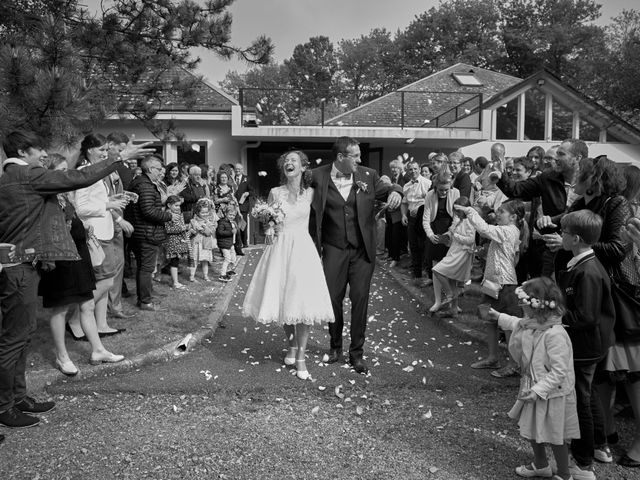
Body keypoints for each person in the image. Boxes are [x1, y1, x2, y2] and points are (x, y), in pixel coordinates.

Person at [0, 129, 147, 429]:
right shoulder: (26, 175)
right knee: (14, 339)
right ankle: (4, 406)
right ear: (24, 151)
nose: (44, 156)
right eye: (39, 150)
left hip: (23, 266)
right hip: (18, 268)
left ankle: (18, 397)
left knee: (23, 335)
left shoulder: (15, 178)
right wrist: (117, 158)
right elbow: (76, 179)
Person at [310, 137, 402, 375]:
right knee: (332, 299)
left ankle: (356, 354)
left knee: (360, 300)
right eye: (355, 156)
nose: (360, 160)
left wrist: (396, 191)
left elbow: (389, 188)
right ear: (341, 157)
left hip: (362, 251)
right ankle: (335, 347)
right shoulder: (317, 176)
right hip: (333, 248)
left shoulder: (368, 175)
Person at [243, 150, 334, 380]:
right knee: (284, 300)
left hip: (303, 249)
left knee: (301, 303)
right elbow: (269, 222)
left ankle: (301, 357)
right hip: (280, 249)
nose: (288, 163)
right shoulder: (275, 192)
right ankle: (292, 345)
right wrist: (269, 228)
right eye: (286, 161)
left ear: (303, 167)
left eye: (294, 160)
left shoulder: (313, 193)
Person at [39, 155, 124, 375]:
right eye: (61, 171)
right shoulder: (45, 197)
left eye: (67, 170)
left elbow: (73, 218)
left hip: (79, 253)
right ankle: (62, 356)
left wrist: (84, 227)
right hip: (60, 258)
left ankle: (98, 350)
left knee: (87, 304)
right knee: (60, 308)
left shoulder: (64, 196)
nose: (66, 175)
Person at [487, 277, 579, 480]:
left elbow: (559, 371)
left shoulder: (555, 335)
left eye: (524, 304)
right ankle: (540, 464)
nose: (521, 309)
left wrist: (539, 390)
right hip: (532, 386)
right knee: (530, 429)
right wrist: (498, 316)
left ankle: (564, 474)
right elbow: (516, 323)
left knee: (556, 435)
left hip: (551, 393)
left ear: (538, 306)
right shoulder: (533, 323)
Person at [556, 210, 616, 480]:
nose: (561, 236)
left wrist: (552, 313)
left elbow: (586, 316)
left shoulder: (588, 271)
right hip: (590, 344)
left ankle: (583, 463)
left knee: (580, 401)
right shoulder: (583, 263)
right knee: (588, 394)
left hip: (585, 346)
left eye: (564, 233)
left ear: (576, 238)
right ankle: (600, 446)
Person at [454, 200, 525, 377]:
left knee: (508, 326)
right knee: (490, 321)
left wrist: (471, 211)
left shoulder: (508, 231)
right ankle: (493, 357)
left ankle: (513, 364)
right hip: (493, 282)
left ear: (514, 217)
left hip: (505, 284)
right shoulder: (507, 231)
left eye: (502, 211)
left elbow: (484, 229)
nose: (498, 213)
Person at [497, 139, 587, 277]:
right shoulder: (547, 177)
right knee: (547, 292)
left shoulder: (592, 181)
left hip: (582, 250)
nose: (556, 158)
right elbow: (517, 190)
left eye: (561, 154)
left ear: (577, 158)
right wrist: (501, 175)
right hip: (551, 249)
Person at [69, 134, 128, 336]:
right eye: (102, 150)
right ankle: (76, 319)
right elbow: (80, 208)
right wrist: (108, 204)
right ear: (89, 150)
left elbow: (96, 199)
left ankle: (101, 324)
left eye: (106, 150)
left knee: (104, 279)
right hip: (94, 234)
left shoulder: (98, 172)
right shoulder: (83, 172)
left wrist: (113, 198)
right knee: (105, 282)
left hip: (105, 230)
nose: (105, 154)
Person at [129, 155, 176, 311]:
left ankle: (144, 298)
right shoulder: (145, 186)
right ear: (149, 169)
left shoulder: (141, 183)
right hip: (147, 233)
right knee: (146, 268)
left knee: (143, 267)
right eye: (158, 169)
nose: (161, 171)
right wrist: (169, 215)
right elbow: (148, 211)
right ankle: (145, 301)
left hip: (141, 231)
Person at [429, 196, 475, 315]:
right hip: (454, 250)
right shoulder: (458, 220)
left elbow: (471, 239)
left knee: (437, 270)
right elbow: (452, 231)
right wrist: (444, 236)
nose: (456, 214)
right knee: (451, 279)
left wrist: (455, 235)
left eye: (458, 211)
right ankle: (454, 308)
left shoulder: (470, 221)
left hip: (461, 253)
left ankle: (449, 294)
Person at [422, 169, 460, 285]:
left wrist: (450, 232)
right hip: (435, 226)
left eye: (446, 190)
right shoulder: (430, 195)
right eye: (441, 190)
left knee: (449, 258)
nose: (443, 193)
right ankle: (433, 280)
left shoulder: (455, 193)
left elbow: (457, 217)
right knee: (433, 256)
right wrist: (430, 235)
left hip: (450, 226)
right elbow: (426, 219)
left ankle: (449, 283)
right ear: (435, 187)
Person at [401, 160, 431, 287]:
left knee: (424, 245)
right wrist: (403, 215)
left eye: (415, 169)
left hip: (423, 217)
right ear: (407, 171)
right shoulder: (406, 185)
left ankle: (427, 274)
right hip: (411, 219)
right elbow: (404, 202)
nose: (413, 171)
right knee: (413, 245)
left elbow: (430, 201)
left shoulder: (427, 183)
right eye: (410, 169)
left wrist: (419, 210)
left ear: (419, 169)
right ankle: (416, 273)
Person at [163, 195, 190, 289]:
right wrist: (182, 228)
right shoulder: (167, 214)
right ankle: (175, 282)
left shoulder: (179, 213)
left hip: (179, 240)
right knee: (174, 261)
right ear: (169, 205)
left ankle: (175, 281)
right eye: (176, 205)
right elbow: (168, 229)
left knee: (176, 261)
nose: (178, 207)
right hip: (172, 241)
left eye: (179, 205)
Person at [189, 199, 218, 282]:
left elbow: (209, 232)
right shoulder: (193, 221)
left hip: (206, 244)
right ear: (198, 212)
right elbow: (191, 231)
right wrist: (193, 230)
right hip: (197, 243)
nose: (205, 214)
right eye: (202, 212)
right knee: (194, 259)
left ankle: (205, 276)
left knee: (205, 260)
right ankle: (192, 276)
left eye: (206, 212)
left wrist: (204, 228)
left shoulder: (210, 222)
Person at [216, 203, 238, 282]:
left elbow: (235, 230)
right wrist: (231, 232)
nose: (232, 216)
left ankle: (228, 270)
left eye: (233, 215)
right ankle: (222, 274)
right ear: (226, 214)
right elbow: (220, 232)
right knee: (227, 259)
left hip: (231, 243)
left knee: (233, 258)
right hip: (224, 244)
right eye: (230, 215)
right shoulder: (222, 222)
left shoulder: (231, 222)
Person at [234, 162, 253, 253]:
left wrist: (247, 193)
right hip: (233, 206)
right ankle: (237, 243)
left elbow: (252, 191)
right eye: (236, 169)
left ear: (242, 170)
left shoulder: (247, 179)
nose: (237, 170)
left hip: (243, 205)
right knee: (235, 224)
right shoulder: (231, 179)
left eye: (239, 169)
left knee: (243, 224)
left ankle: (244, 242)